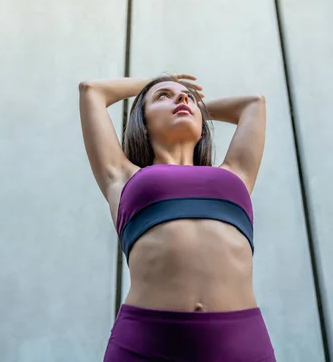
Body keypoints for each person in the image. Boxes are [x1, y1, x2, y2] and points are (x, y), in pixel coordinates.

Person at [79, 74, 276, 361]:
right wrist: (155, 81)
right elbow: (92, 91)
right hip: (146, 341)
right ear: (142, 124)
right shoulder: (121, 175)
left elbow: (253, 104)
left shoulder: (236, 172)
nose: (182, 99)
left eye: (188, 97)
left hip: (241, 340)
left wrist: (190, 103)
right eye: (163, 96)